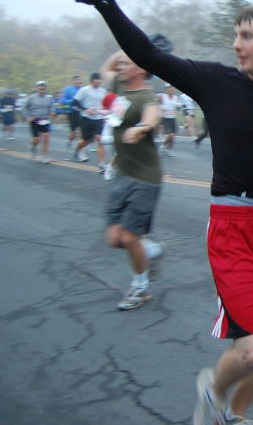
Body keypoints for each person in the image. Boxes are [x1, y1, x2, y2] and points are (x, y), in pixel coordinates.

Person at [75, 0, 253, 425]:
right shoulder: (216, 81)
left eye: (247, 36)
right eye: (236, 35)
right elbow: (150, 55)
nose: (236, 44)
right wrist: (105, 3)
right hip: (232, 225)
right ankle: (213, 393)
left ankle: (235, 414)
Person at [104, 50, 165, 310]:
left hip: (145, 178)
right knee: (114, 238)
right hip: (122, 173)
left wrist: (142, 128)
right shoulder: (120, 85)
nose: (120, 66)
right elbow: (106, 68)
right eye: (120, 63)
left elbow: (152, 115)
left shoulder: (146, 97)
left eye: (127, 63)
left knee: (129, 238)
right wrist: (124, 47)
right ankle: (149, 251)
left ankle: (140, 288)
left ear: (141, 69)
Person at [72, 71, 108, 173]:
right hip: (86, 119)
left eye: (99, 80)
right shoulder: (85, 90)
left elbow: (106, 104)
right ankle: (78, 149)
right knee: (86, 141)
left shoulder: (103, 91)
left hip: (99, 119)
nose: (98, 82)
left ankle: (102, 165)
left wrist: (105, 112)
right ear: (92, 81)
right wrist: (85, 109)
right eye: (96, 80)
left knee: (100, 139)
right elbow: (75, 102)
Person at [25, 81, 55, 163]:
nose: (42, 88)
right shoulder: (31, 97)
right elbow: (25, 107)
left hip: (45, 120)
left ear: (46, 88)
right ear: (37, 88)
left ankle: (44, 156)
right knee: (36, 139)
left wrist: (52, 112)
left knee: (46, 137)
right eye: (40, 86)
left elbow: (52, 107)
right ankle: (33, 147)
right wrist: (28, 116)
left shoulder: (49, 98)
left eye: (43, 86)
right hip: (34, 120)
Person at [157, 83, 181, 156]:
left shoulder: (176, 97)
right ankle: (162, 147)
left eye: (172, 88)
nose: (171, 89)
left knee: (172, 139)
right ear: (166, 89)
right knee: (170, 134)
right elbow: (157, 105)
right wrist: (163, 108)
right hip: (165, 118)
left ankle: (165, 150)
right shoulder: (162, 97)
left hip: (172, 118)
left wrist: (179, 106)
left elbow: (178, 107)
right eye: (169, 88)